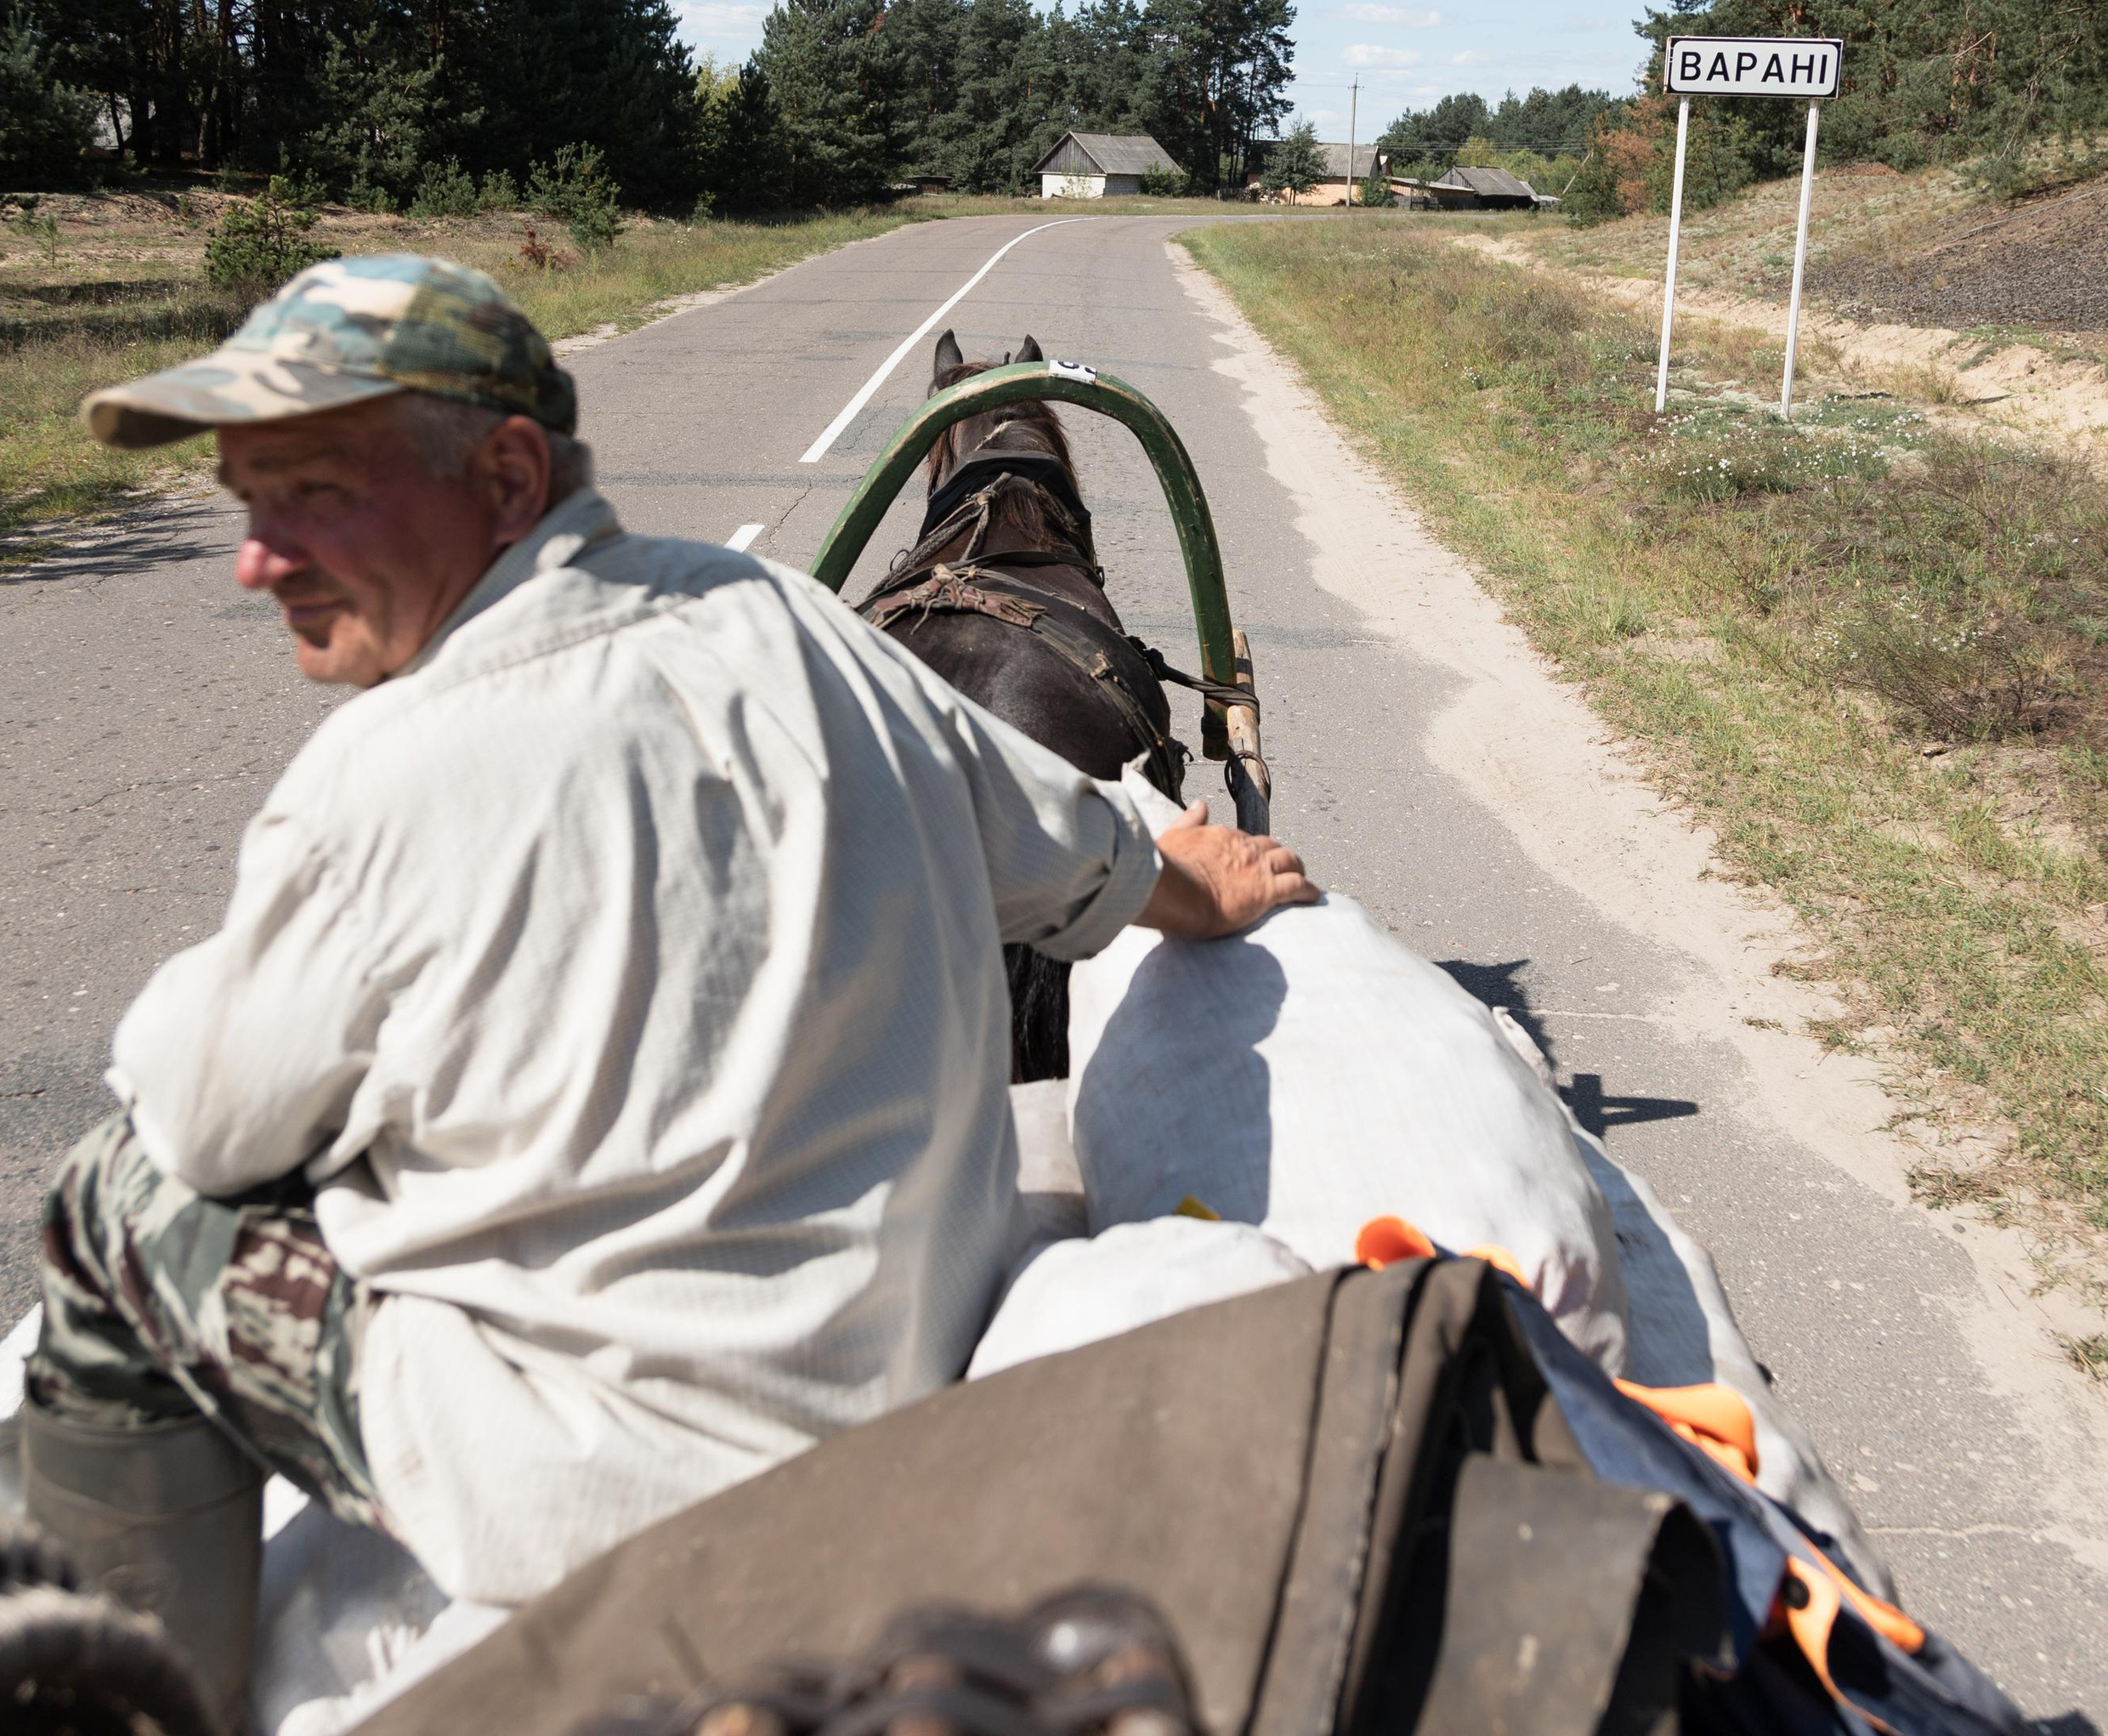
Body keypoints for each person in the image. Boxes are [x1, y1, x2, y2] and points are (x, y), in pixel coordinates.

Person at [21, 253, 1318, 1722]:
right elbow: (1083, 850)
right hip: (891, 1388)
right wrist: (1216, 882)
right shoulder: (801, 627)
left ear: (511, 473)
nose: (259, 559)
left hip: (602, 1485)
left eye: (314, 492)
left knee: (112, 1198)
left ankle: (108, 1705)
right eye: (243, 505)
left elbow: (199, 1128)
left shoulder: (378, 781)